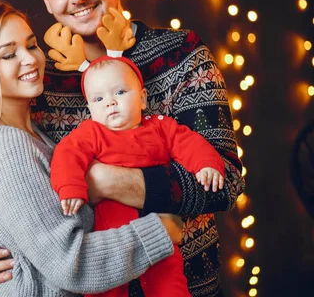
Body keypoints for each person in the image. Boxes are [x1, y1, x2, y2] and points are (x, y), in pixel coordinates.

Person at [0, 0, 245, 297]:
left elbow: (225, 183)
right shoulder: (40, 81)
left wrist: (104, 181)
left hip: (187, 282)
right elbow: (14, 180)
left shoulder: (183, 56)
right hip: (87, 288)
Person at [0, 0, 184, 296]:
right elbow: (69, 262)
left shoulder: (34, 135)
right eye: (8, 54)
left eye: (31, 45)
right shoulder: (4, 146)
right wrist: (160, 231)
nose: (29, 59)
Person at [50, 55, 225, 297]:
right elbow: (67, 155)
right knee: (105, 289)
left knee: (170, 283)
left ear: (142, 98)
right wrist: (70, 187)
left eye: (120, 92)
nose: (110, 103)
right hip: (110, 239)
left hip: (160, 231)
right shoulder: (91, 133)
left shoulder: (160, 127)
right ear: (90, 108)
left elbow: (189, 142)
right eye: (98, 99)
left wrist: (205, 165)